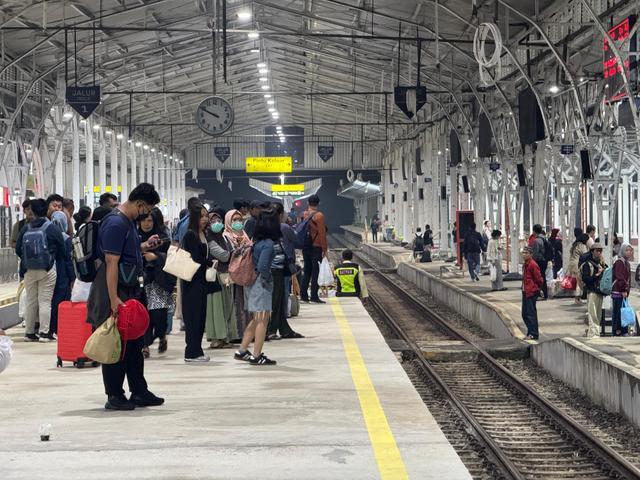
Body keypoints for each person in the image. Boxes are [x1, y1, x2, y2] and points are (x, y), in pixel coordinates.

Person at [86, 183, 164, 411]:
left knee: (133, 343)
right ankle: (114, 395)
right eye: (148, 209)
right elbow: (111, 263)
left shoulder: (127, 222)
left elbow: (125, 253)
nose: (148, 214)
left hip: (128, 288)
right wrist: (113, 299)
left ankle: (139, 391)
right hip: (115, 290)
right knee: (116, 343)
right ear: (140, 204)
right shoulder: (115, 223)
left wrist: (143, 246)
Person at [15, 198, 67, 342]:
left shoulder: (26, 228)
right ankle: (44, 333)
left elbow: (18, 249)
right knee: (45, 301)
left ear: (33, 211)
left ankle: (29, 333)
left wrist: (27, 260)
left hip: (28, 269)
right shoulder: (51, 228)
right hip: (47, 269)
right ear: (46, 210)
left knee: (31, 301)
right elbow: (62, 249)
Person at [235, 210, 279, 365]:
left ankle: (242, 350)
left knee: (256, 319)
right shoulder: (268, 244)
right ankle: (257, 355)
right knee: (262, 320)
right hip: (261, 283)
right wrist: (267, 279)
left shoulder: (256, 242)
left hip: (252, 282)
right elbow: (263, 266)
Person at [139, 208, 173, 357]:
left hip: (159, 282)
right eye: (144, 220)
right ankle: (145, 345)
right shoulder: (136, 237)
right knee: (143, 314)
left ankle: (161, 336)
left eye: (150, 221)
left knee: (158, 315)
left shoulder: (162, 238)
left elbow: (171, 256)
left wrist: (156, 257)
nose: (147, 224)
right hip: (141, 281)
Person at [181, 204, 213, 362]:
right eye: (201, 216)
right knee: (193, 316)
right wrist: (210, 262)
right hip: (192, 281)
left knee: (200, 316)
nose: (205, 219)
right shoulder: (190, 235)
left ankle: (197, 350)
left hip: (201, 280)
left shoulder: (203, 233)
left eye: (206, 216)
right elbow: (195, 258)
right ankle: (191, 351)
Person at [267, 204, 303, 341]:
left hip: (277, 268)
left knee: (279, 299)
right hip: (276, 269)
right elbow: (297, 240)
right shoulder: (281, 228)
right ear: (281, 214)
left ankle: (283, 328)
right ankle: (271, 330)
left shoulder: (267, 228)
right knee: (277, 300)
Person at [205, 207, 237, 349]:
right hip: (215, 277)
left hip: (226, 275)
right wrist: (235, 253)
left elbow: (231, 252)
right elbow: (224, 255)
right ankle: (217, 337)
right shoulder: (209, 238)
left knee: (227, 307)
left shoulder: (223, 237)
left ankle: (226, 336)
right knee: (217, 308)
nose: (216, 223)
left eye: (218, 220)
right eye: (213, 221)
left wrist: (233, 253)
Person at [224, 208, 252, 340]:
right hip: (233, 275)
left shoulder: (244, 235)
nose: (238, 222)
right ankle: (237, 333)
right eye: (234, 220)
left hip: (245, 274)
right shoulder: (226, 236)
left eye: (240, 220)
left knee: (245, 303)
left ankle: (247, 331)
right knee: (236, 303)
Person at [49, 210, 76, 336]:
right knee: (60, 300)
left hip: (49, 270)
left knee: (48, 301)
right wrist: (72, 277)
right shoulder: (66, 239)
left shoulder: (48, 234)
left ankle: (48, 327)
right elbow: (68, 260)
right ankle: (57, 328)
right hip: (63, 273)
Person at [300, 194, 328, 304]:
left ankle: (303, 296)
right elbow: (322, 233)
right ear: (318, 203)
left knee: (307, 270)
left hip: (306, 246)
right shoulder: (319, 216)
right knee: (316, 271)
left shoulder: (304, 214)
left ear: (308, 203)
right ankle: (314, 296)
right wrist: (325, 250)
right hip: (316, 247)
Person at [581, 243, 607, 338]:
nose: (599, 252)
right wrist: (597, 275)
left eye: (600, 250)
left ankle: (596, 332)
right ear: (592, 251)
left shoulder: (602, 264)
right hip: (592, 291)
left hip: (600, 291)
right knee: (592, 314)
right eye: (597, 250)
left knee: (598, 314)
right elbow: (585, 279)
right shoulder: (587, 264)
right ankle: (593, 333)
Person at [521, 246, 544, 340]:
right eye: (523, 253)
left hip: (531, 291)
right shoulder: (525, 264)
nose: (524, 255)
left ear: (531, 254)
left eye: (526, 253)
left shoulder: (532, 265)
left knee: (530, 314)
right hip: (525, 291)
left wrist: (538, 288)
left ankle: (533, 333)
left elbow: (539, 278)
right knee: (524, 314)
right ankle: (530, 332)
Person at [612, 243, 633, 337]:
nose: (629, 252)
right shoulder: (620, 262)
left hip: (623, 292)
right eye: (627, 250)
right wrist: (624, 289)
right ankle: (617, 331)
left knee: (623, 311)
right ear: (623, 251)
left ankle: (623, 330)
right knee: (618, 312)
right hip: (618, 292)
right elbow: (620, 277)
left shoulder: (626, 263)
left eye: (630, 250)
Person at [568, 232, 589, 304]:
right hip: (577, 264)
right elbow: (585, 254)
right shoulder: (581, 245)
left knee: (577, 280)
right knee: (579, 281)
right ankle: (577, 298)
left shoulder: (575, 245)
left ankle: (577, 298)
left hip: (572, 264)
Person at [531, 224, 550, 300]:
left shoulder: (536, 241)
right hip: (545, 261)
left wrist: (532, 261)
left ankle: (539, 294)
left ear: (534, 231)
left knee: (537, 277)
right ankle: (545, 294)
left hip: (539, 261)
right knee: (543, 277)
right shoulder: (545, 238)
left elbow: (535, 253)